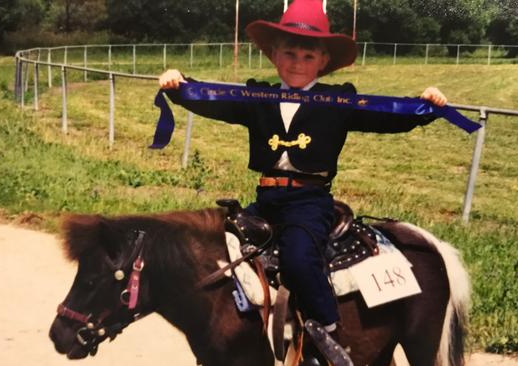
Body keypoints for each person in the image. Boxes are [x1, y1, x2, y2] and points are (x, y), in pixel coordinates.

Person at [159, 0, 447, 363]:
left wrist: (425, 106)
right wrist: (179, 86)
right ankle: (235, 335)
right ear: (275, 56)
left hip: (309, 202)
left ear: (323, 61)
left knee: (298, 257)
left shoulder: (337, 99)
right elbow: (215, 100)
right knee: (219, 253)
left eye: (308, 56)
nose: (297, 62)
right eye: (289, 53)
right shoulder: (257, 96)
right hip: (265, 200)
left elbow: (385, 114)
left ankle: (327, 332)